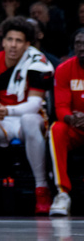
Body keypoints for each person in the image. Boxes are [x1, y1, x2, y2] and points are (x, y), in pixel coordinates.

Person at [0, 16, 54, 214]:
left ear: (28, 44)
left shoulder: (38, 62)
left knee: (30, 120)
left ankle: (42, 189)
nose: (13, 45)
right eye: (10, 39)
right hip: (1, 120)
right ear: (3, 41)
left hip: (27, 119)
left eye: (19, 41)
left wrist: (7, 110)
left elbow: (35, 104)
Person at [49, 28, 84, 216]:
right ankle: (62, 193)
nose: (82, 47)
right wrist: (71, 118)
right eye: (78, 43)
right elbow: (61, 106)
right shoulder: (63, 69)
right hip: (75, 126)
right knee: (57, 129)